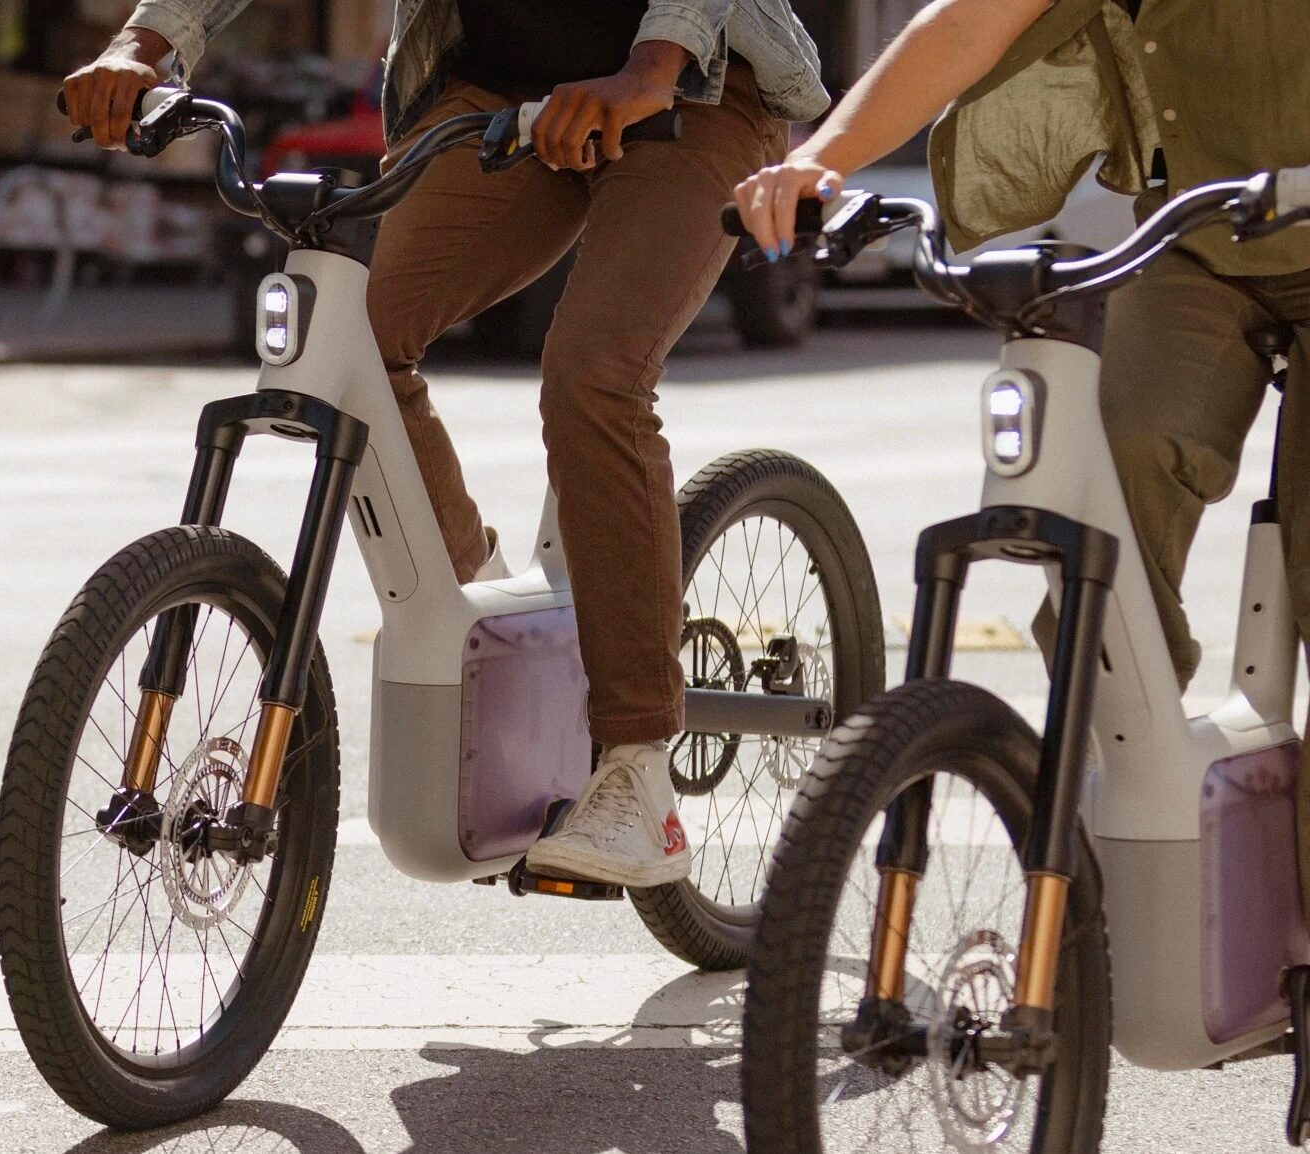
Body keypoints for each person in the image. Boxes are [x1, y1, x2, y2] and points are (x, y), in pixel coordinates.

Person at [67, 0, 828, 886]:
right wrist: (141, 47)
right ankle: (485, 623)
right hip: (502, 99)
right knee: (355, 336)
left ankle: (637, 768)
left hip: (696, 90)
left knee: (593, 373)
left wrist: (648, 73)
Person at [733, 0, 1310, 878]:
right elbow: (964, 25)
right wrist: (820, 161)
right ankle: (1125, 766)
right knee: (1105, 469)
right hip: (1198, 238)